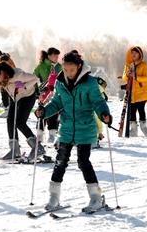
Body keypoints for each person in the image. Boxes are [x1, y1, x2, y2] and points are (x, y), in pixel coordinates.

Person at [35, 51, 112, 213]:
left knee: (83, 162)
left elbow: (98, 102)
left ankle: (96, 198)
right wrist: (44, 111)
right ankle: (54, 197)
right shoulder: (60, 82)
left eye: (72, 70)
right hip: (67, 128)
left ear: (79, 66)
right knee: (60, 161)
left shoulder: (90, 83)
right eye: (66, 69)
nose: (69, 73)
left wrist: (104, 114)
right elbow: (56, 102)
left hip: (85, 128)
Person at [0, 62, 42, 160]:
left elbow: (35, 78)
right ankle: (15, 150)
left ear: (2, 72)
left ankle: (38, 147)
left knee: (20, 122)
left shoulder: (17, 75)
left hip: (27, 97)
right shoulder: (2, 78)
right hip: (15, 98)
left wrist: (23, 86)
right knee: (10, 121)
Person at [34, 47, 62, 143]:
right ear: (49, 56)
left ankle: (52, 134)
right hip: (43, 93)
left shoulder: (59, 66)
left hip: (55, 92)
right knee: (41, 111)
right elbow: (34, 78)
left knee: (54, 113)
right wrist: (37, 91)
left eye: (57, 56)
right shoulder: (41, 66)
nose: (57, 58)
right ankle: (39, 134)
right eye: (55, 56)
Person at [122, 46, 147, 136]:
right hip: (131, 92)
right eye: (132, 53)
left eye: (135, 53)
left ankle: (143, 127)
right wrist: (127, 75)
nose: (133, 54)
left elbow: (146, 78)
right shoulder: (128, 65)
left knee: (141, 110)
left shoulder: (143, 65)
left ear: (140, 54)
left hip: (141, 92)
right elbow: (124, 78)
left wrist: (136, 76)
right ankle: (134, 130)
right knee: (132, 111)